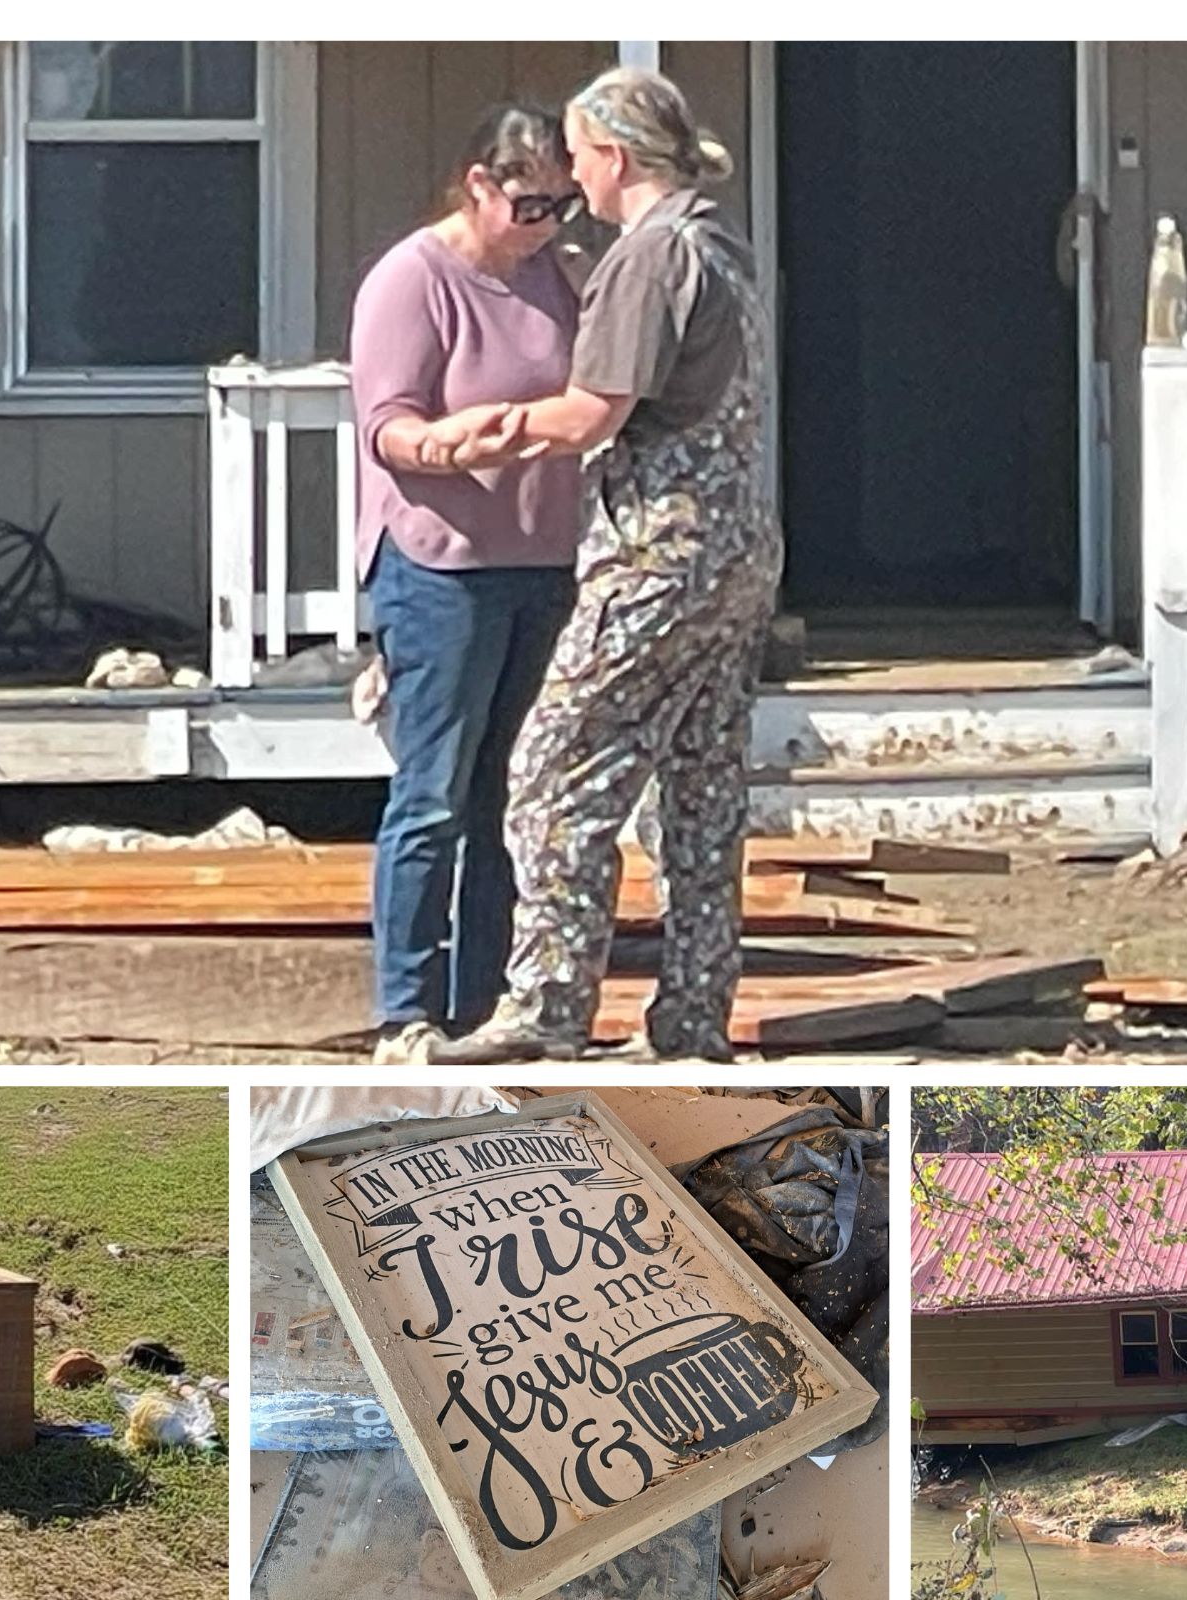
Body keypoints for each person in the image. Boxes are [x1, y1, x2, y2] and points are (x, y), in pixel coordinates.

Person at [418, 66, 783, 1063]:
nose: (569, 175)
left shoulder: (646, 258)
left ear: (615, 156)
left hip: (656, 552)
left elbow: (592, 413)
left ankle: (543, 1008)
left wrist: (485, 432)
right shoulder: (721, 244)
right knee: (699, 787)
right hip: (740, 548)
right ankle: (692, 1018)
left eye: (576, 154)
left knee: (547, 769)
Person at [349, 105, 588, 1064]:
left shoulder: (554, 279)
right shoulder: (414, 278)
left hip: (542, 562)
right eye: (529, 203)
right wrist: (447, 444)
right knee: (435, 791)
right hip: (439, 563)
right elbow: (386, 424)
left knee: (510, 793)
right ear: (478, 184)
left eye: (563, 205)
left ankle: (486, 1004)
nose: (546, 223)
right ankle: (404, 1006)